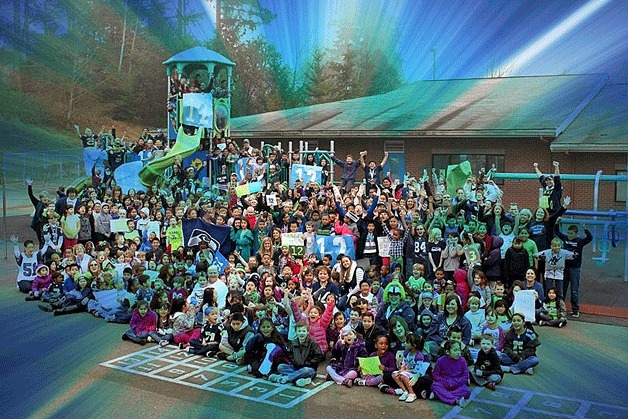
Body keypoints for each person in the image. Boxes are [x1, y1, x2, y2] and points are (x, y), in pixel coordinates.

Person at [554, 221, 592, 318]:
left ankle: (575, 310)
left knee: (574, 290)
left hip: (575, 268)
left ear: (576, 234)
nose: (570, 235)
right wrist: (557, 223)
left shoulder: (580, 241)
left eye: (572, 234)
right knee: (563, 289)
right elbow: (557, 232)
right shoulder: (565, 238)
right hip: (565, 268)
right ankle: (561, 308)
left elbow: (590, 238)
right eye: (569, 233)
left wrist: (585, 229)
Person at [272, 320, 325, 387]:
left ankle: (287, 378)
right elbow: (288, 354)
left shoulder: (313, 344)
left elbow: (319, 356)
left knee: (306, 371)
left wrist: (307, 363)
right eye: (299, 331)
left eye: (303, 331)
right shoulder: (293, 342)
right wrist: (294, 361)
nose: (301, 333)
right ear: (296, 332)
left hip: (309, 368)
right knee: (280, 367)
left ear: (308, 332)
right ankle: (300, 379)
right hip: (296, 367)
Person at [429, 340, 471, 407]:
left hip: (457, 384)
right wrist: (445, 382)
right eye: (455, 350)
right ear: (447, 352)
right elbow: (435, 375)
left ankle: (439, 395)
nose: (458, 353)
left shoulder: (462, 360)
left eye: (459, 350)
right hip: (444, 383)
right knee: (434, 386)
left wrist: (457, 382)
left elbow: (465, 375)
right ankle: (456, 400)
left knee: (466, 392)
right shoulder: (440, 360)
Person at [392, 333, 428, 403]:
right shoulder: (406, 353)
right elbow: (404, 363)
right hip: (406, 371)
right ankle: (405, 391)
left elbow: (417, 370)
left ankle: (412, 393)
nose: (405, 343)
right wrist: (402, 369)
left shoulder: (419, 356)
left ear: (414, 345)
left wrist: (405, 371)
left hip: (414, 373)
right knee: (394, 374)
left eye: (407, 342)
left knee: (403, 375)